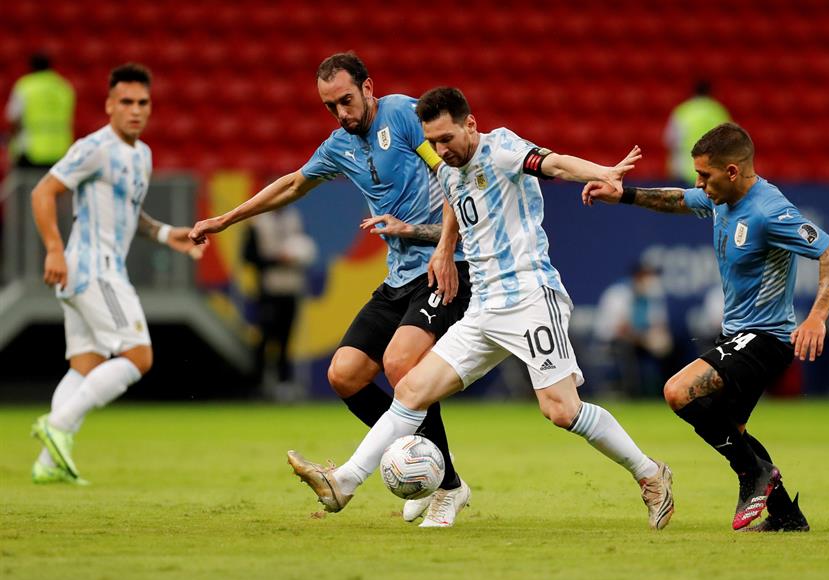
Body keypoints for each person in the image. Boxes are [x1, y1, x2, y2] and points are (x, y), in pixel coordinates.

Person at [286, 86, 676, 530]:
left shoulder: (503, 148)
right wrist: (442, 247)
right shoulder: (449, 170)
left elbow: (556, 162)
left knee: (561, 410)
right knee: (411, 390)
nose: (441, 150)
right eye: (432, 142)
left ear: (470, 124)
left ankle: (650, 473)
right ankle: (344, 482)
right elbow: (455, 202)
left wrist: (605, 171)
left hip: (530, 297)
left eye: (448, 139)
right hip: (485, 308)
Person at [189, 53, 472, 527]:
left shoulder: (403, 115)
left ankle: (443, 488)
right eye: (330, 106)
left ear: (368, 87)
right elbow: (293, 184)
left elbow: (451, 176)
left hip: (444, 267)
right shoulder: (340, 145)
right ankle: (443, 476)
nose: (341, 113)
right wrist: (225, 219)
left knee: (401, 363)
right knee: (344, 375)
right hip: (398, 276)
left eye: (346, 100)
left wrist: (444, 246)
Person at [583, 122, 829, 531]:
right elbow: (677, 200)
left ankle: (754, 475)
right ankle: (785, 516)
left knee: (678, 392)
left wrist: (816, 316)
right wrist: (626, 195)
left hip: (766, 338)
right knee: (733, 429)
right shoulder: (721, 198)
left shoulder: (768, 211)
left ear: (731, 171)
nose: (698, 183)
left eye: (705, 175)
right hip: (738, 335)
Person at [30, 63, 204, 484]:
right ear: (109, 105)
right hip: (94, 269)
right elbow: (43, 191)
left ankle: (47, 465)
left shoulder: (141, 155)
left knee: (85, 366)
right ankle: (58, 425)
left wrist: (167, 235)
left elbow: (132, 214)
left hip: (90, 274)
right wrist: (54, 248)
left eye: (143, 102)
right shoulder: (95, 148)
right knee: (138, 355)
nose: (135, 110)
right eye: (126, 102)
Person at [242, 206, 317, 396]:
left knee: (286, 338)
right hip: (268, 289)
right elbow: (248, 256)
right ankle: (257, 384)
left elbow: (306, 247)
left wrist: (300, 256)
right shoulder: (257, 222)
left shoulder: (295, 217)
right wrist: (277, 260)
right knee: (265, 338)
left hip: (292, 288)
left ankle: (284, 385)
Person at [593, 262, 676, 396]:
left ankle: (664, 391)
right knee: (627, 348)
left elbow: (659, 324)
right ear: (637, 277)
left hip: (640, 340)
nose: (651, 280)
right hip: (613, 340)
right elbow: (620, 329)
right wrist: (644, 339)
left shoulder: (653, 295)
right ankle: (632, 392)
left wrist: (658, 338)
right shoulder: (618, 294)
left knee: (669, 348)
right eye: (647, 276)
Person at [6, 53, 75, 168]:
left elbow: (14, 118)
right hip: (60, 150)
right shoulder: (63, 86)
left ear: (30, 67)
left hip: (31, 151)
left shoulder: (25, 86)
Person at [664, 80, 730, 186]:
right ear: (710, 92)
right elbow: (729, 142)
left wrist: (671, 167)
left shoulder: (683, 110)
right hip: (712, 172)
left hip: (685, 171)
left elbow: (671, 141)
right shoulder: (718, 111)